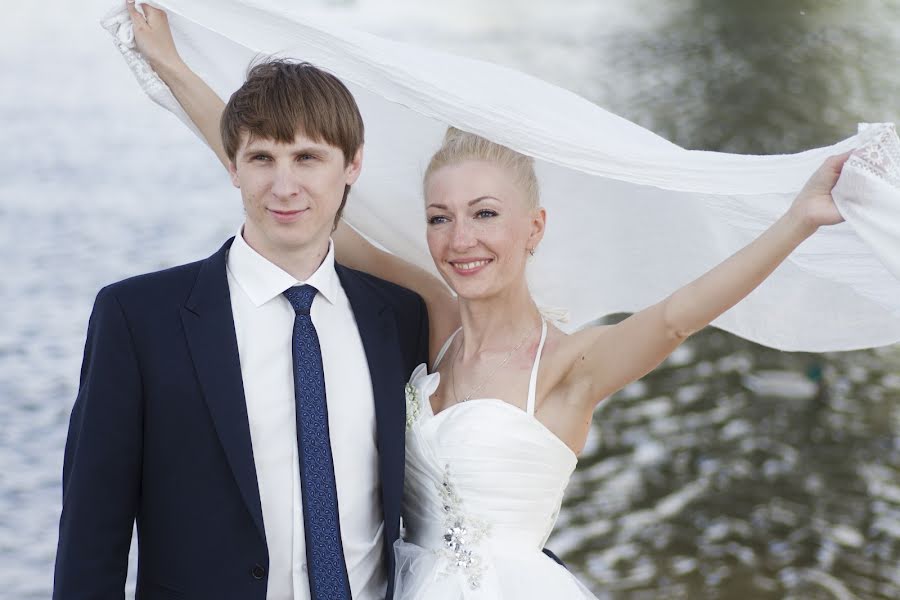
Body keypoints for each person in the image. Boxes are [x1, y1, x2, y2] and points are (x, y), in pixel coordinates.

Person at [126, 3, 855, 598]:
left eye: (485, 214)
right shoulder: (433, 321)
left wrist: (795, 221)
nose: (459, 239)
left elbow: (679, 312)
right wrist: (172, 66)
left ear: (533, 228)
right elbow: (302, 198)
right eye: (439, 217)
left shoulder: (571, 366)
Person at [53, 15, 429, 600]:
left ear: (351, 165)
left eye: (308, 158)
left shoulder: (401, 319)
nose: (284, 187)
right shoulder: (138, 320)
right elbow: (90, 538)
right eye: (261, 159)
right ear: (231, 165)